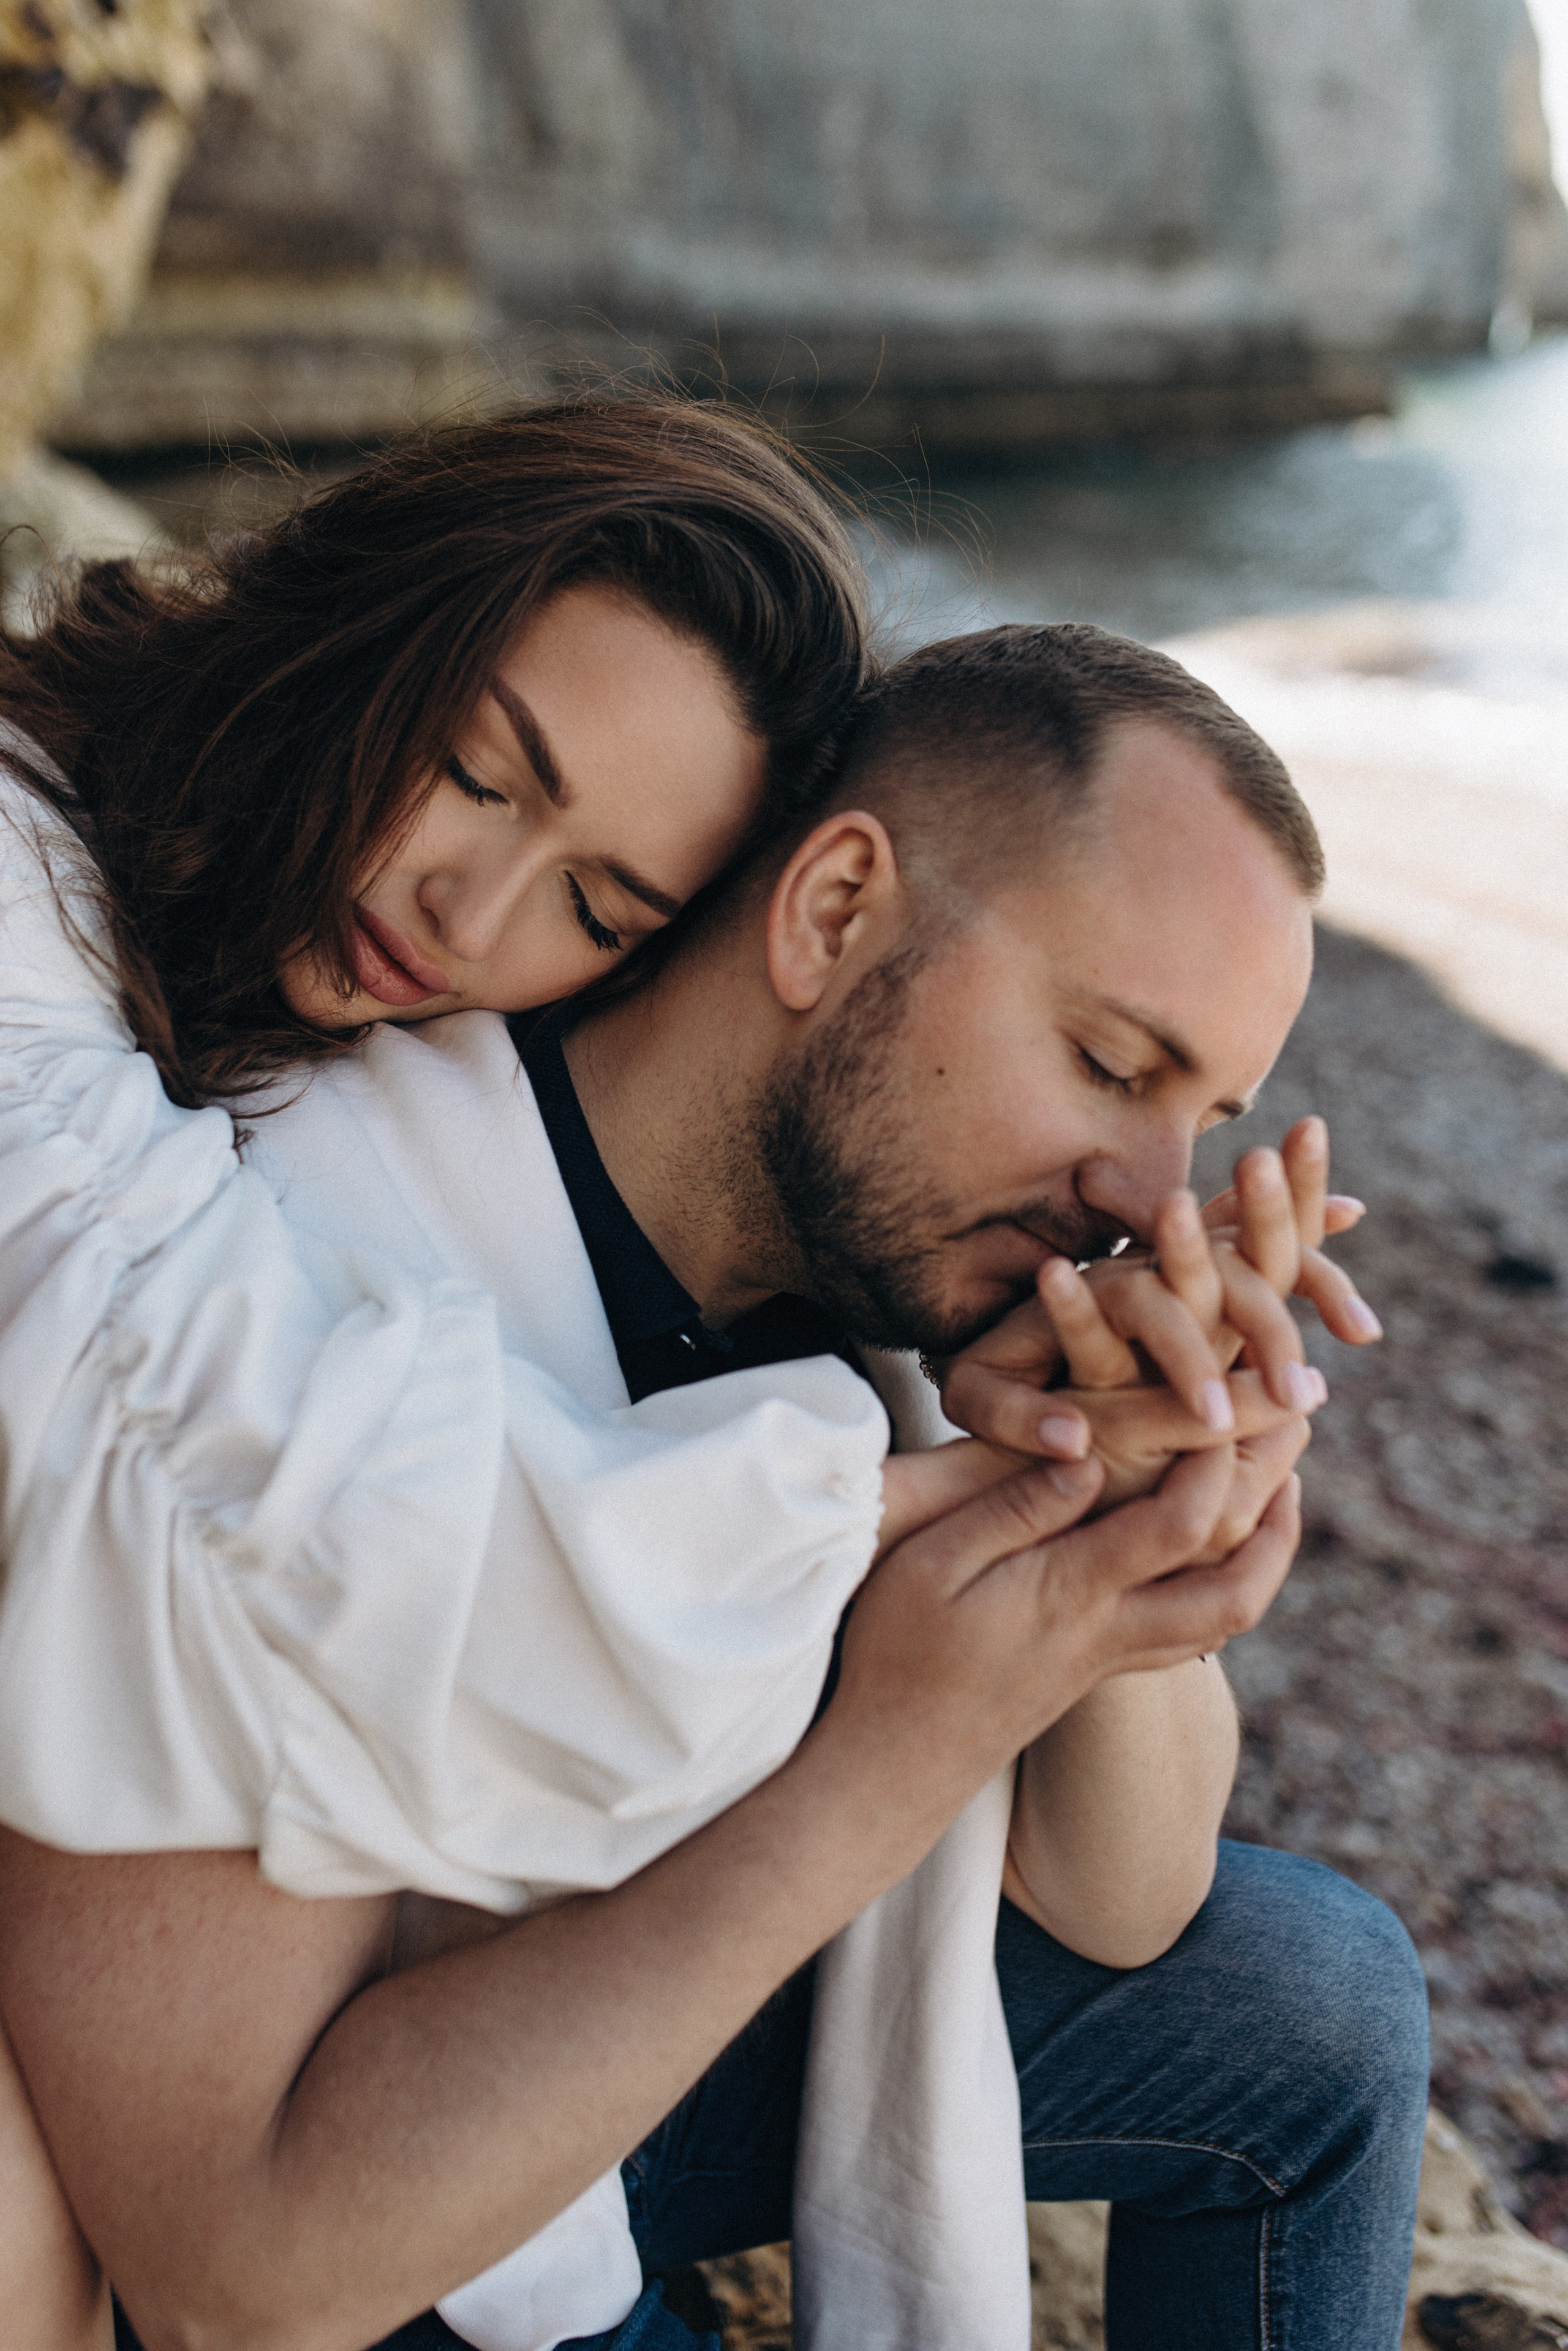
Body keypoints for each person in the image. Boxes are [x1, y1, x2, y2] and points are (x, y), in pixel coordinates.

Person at [0, 623, 1424, 2351]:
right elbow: (245, 2277)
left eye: (1203, 1117)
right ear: (833, 911)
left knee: (1323, 2001)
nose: (1140, 1191)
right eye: (1112, 1067)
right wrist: (902, 1738)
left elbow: (1130, 1895)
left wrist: (1128, 1500)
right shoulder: (314, 1306)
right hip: (405, 2211)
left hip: (636, 2052)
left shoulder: (869, 1338)